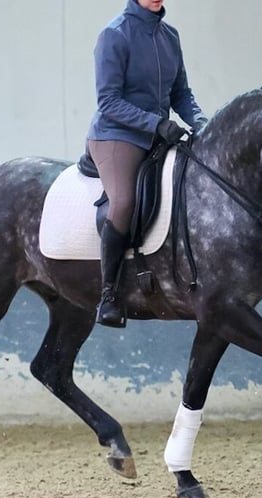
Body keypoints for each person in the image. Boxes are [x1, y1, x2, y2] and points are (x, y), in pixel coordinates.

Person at [86, 0, 208, 328]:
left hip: (158, 135)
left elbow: (182, 94)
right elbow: (108, 101)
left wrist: (201, 123)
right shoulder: (114, 35)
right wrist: (155, 124)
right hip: (117, 136)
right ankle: (109, 295)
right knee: (124, 202)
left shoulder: (170, 36)